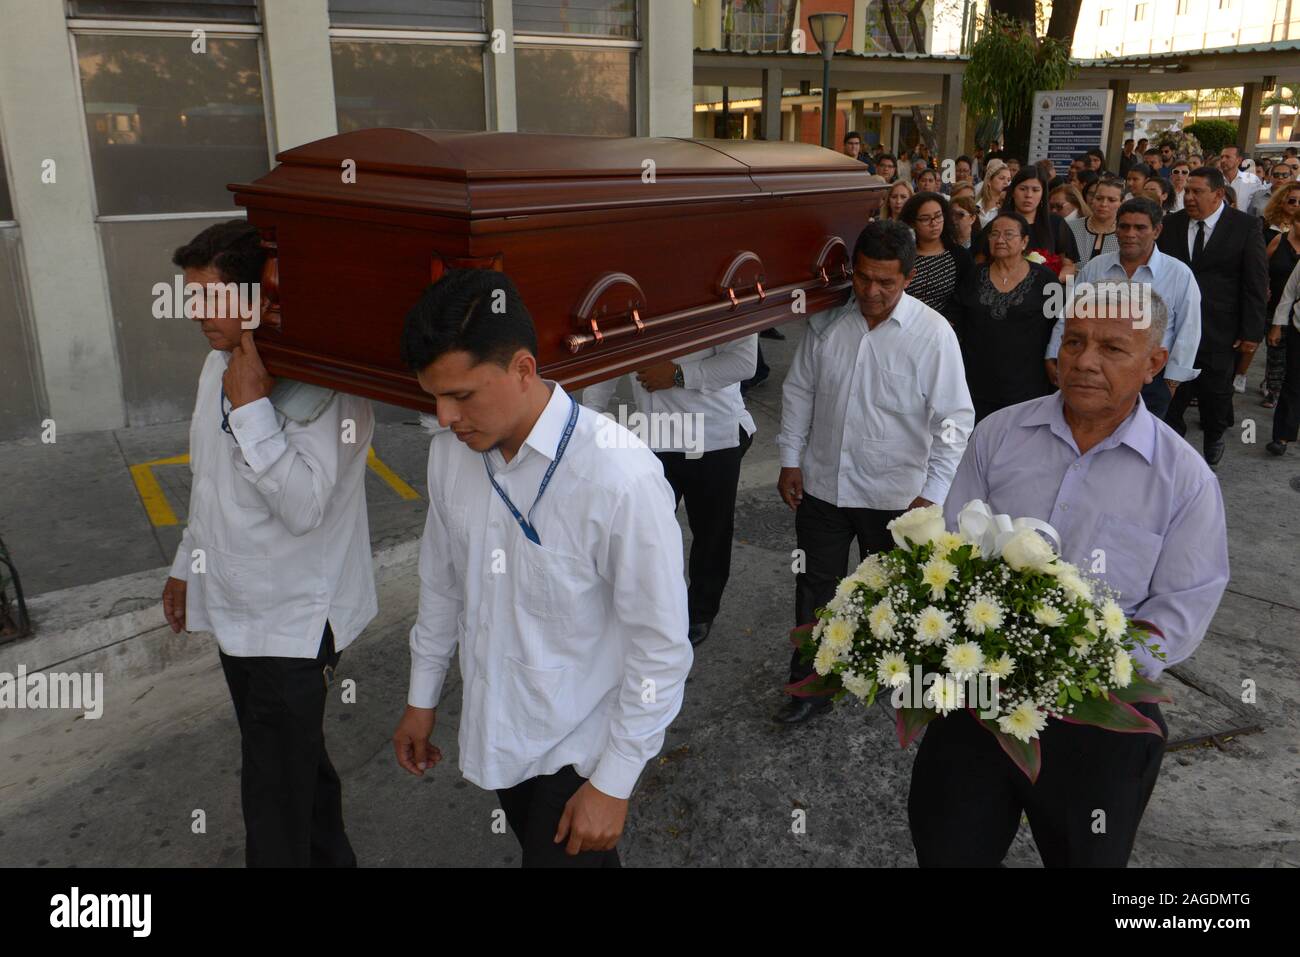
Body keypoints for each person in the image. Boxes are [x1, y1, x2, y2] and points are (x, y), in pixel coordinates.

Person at [910, 286, 1229, 868]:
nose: (1084, 360)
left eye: (1112, 347)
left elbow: (1179, 611)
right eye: (1074, 340)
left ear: (1155, 363)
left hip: (1098, 717)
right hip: (980, 700)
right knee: (948, 848)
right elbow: (951, 557)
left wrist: (1074, 668)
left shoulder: (1184, 480)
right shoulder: (999, 435)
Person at [391, 269, 692, 867]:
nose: (445, 417)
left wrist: (614, 782)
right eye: (434, 397)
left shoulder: (618, 477)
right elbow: (441, 582)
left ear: (524, 369)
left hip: (579, 752)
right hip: (501, 730)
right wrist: (422, 697)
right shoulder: (450, 457)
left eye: (462, 395)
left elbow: (659, 648)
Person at [161, 221, 376, 867]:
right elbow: (210, 481)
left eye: (212, 296)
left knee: (272, 795)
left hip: (293, 624)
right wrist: (183, 566)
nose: (196, 313)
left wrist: (254, 410)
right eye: (190, 296)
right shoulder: (215, 366)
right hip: (236, 612)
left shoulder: (327, 386)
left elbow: (305, 506)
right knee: (294, 770)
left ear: (259, 297)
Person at [774, 220, 973, 724]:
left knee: (891, 593)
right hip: (822, 485)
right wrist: (790, 458)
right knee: (816, 588)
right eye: (863, 278)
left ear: (908, 277)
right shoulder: (827, 325)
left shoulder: (933, 335)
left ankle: (890, 673)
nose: (872, 292)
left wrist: (933, 493)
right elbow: (799, 392)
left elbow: (955, 420)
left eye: (886, 282)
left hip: (897, 496)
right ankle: (810, 683)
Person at [582, 335, 758, 647]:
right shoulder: (630, 294)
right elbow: (611, 354)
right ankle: (650, 609)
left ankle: (701, 610)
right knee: (647, 534)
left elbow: (744, 362)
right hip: (653, 436)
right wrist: (588, 420)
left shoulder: (721, 289)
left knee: (711, 532)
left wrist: (677, 374)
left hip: (711, 435)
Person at [1047, 198, 1203, 420]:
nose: (1130, 233)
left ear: (1156, 230)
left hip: (1150, 379)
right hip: (1095, 371)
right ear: (1116, 229)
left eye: (1140, 227)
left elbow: (1188, 330)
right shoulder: (1096, 267)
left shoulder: (1179, 274)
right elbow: (1070, 314)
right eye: (1124, 226)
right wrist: (1054, 354)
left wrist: (1171, 382)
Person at [1159, 166, 1270, 466]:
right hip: (1175, 326)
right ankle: (1173, 447)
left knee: (1216, 391)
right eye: (1187, 191)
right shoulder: (1171, 224)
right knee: (1173, 389)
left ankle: (1214, 436)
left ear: (1219, 194)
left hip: (1220, 328)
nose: (1190, 197)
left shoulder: (1245, 227)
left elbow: (1255, 283)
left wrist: (1251, 333)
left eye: (1198, 192)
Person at [950, 211, 1060, 421]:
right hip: (977, 381)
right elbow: (958, 316)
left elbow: (1058, 326)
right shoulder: (974, 274)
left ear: (1024, 241)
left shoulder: (1046, 279)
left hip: (1027, 383)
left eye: (1009, 235)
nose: (1000, 240)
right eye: (994, 234)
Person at [973, 168, 1080, 273]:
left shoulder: (1056, 223)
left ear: (1043, 194)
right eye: (1023, 189)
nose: (1028, 195)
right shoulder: (997, 225)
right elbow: (979, 265)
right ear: (1013, 192)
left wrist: (1053, 282)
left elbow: (1069, 267)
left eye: (1035, 190)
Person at [899, 191, 973, 321]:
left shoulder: (959, 256)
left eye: (938, 216)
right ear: (912, 223)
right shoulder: (902, 256)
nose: (934, 223)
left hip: (947, 327)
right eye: (926, 219)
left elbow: (966, 298)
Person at [1260, 183, 1300, 410]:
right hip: (1274, 304)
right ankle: (1274, 390)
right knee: (1276, 351)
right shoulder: (1279, 239)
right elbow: (1261, 268)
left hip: (1298, 311)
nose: (1295, 206)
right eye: (1292, 200)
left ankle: (1285, 389)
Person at [1268, 256, 1300, 454]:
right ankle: (1282, 436)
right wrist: (1277, 325)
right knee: (1293, 383)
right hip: (1298, 330)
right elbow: (1289, 292)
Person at [1066, 176, 1123, 267]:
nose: (1103, 204)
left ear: (1121, 203)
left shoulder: (1125, 233)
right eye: (1099, 198)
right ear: (1092, 199)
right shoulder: (1071, 228)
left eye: (1111, 200)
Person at [1219, 145, 1263, 212]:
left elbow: (1259, 205)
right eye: (1221, 157)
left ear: (1239, 160)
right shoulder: (1213, 179)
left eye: (1228, 157)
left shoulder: (1252, 180)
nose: (1223, 160)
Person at [975, 159, 1011, 227]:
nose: (1006, 183)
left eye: (1008, 180)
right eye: (1002, 178)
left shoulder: (1007, 209)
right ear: (989, 181)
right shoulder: (976, 205)